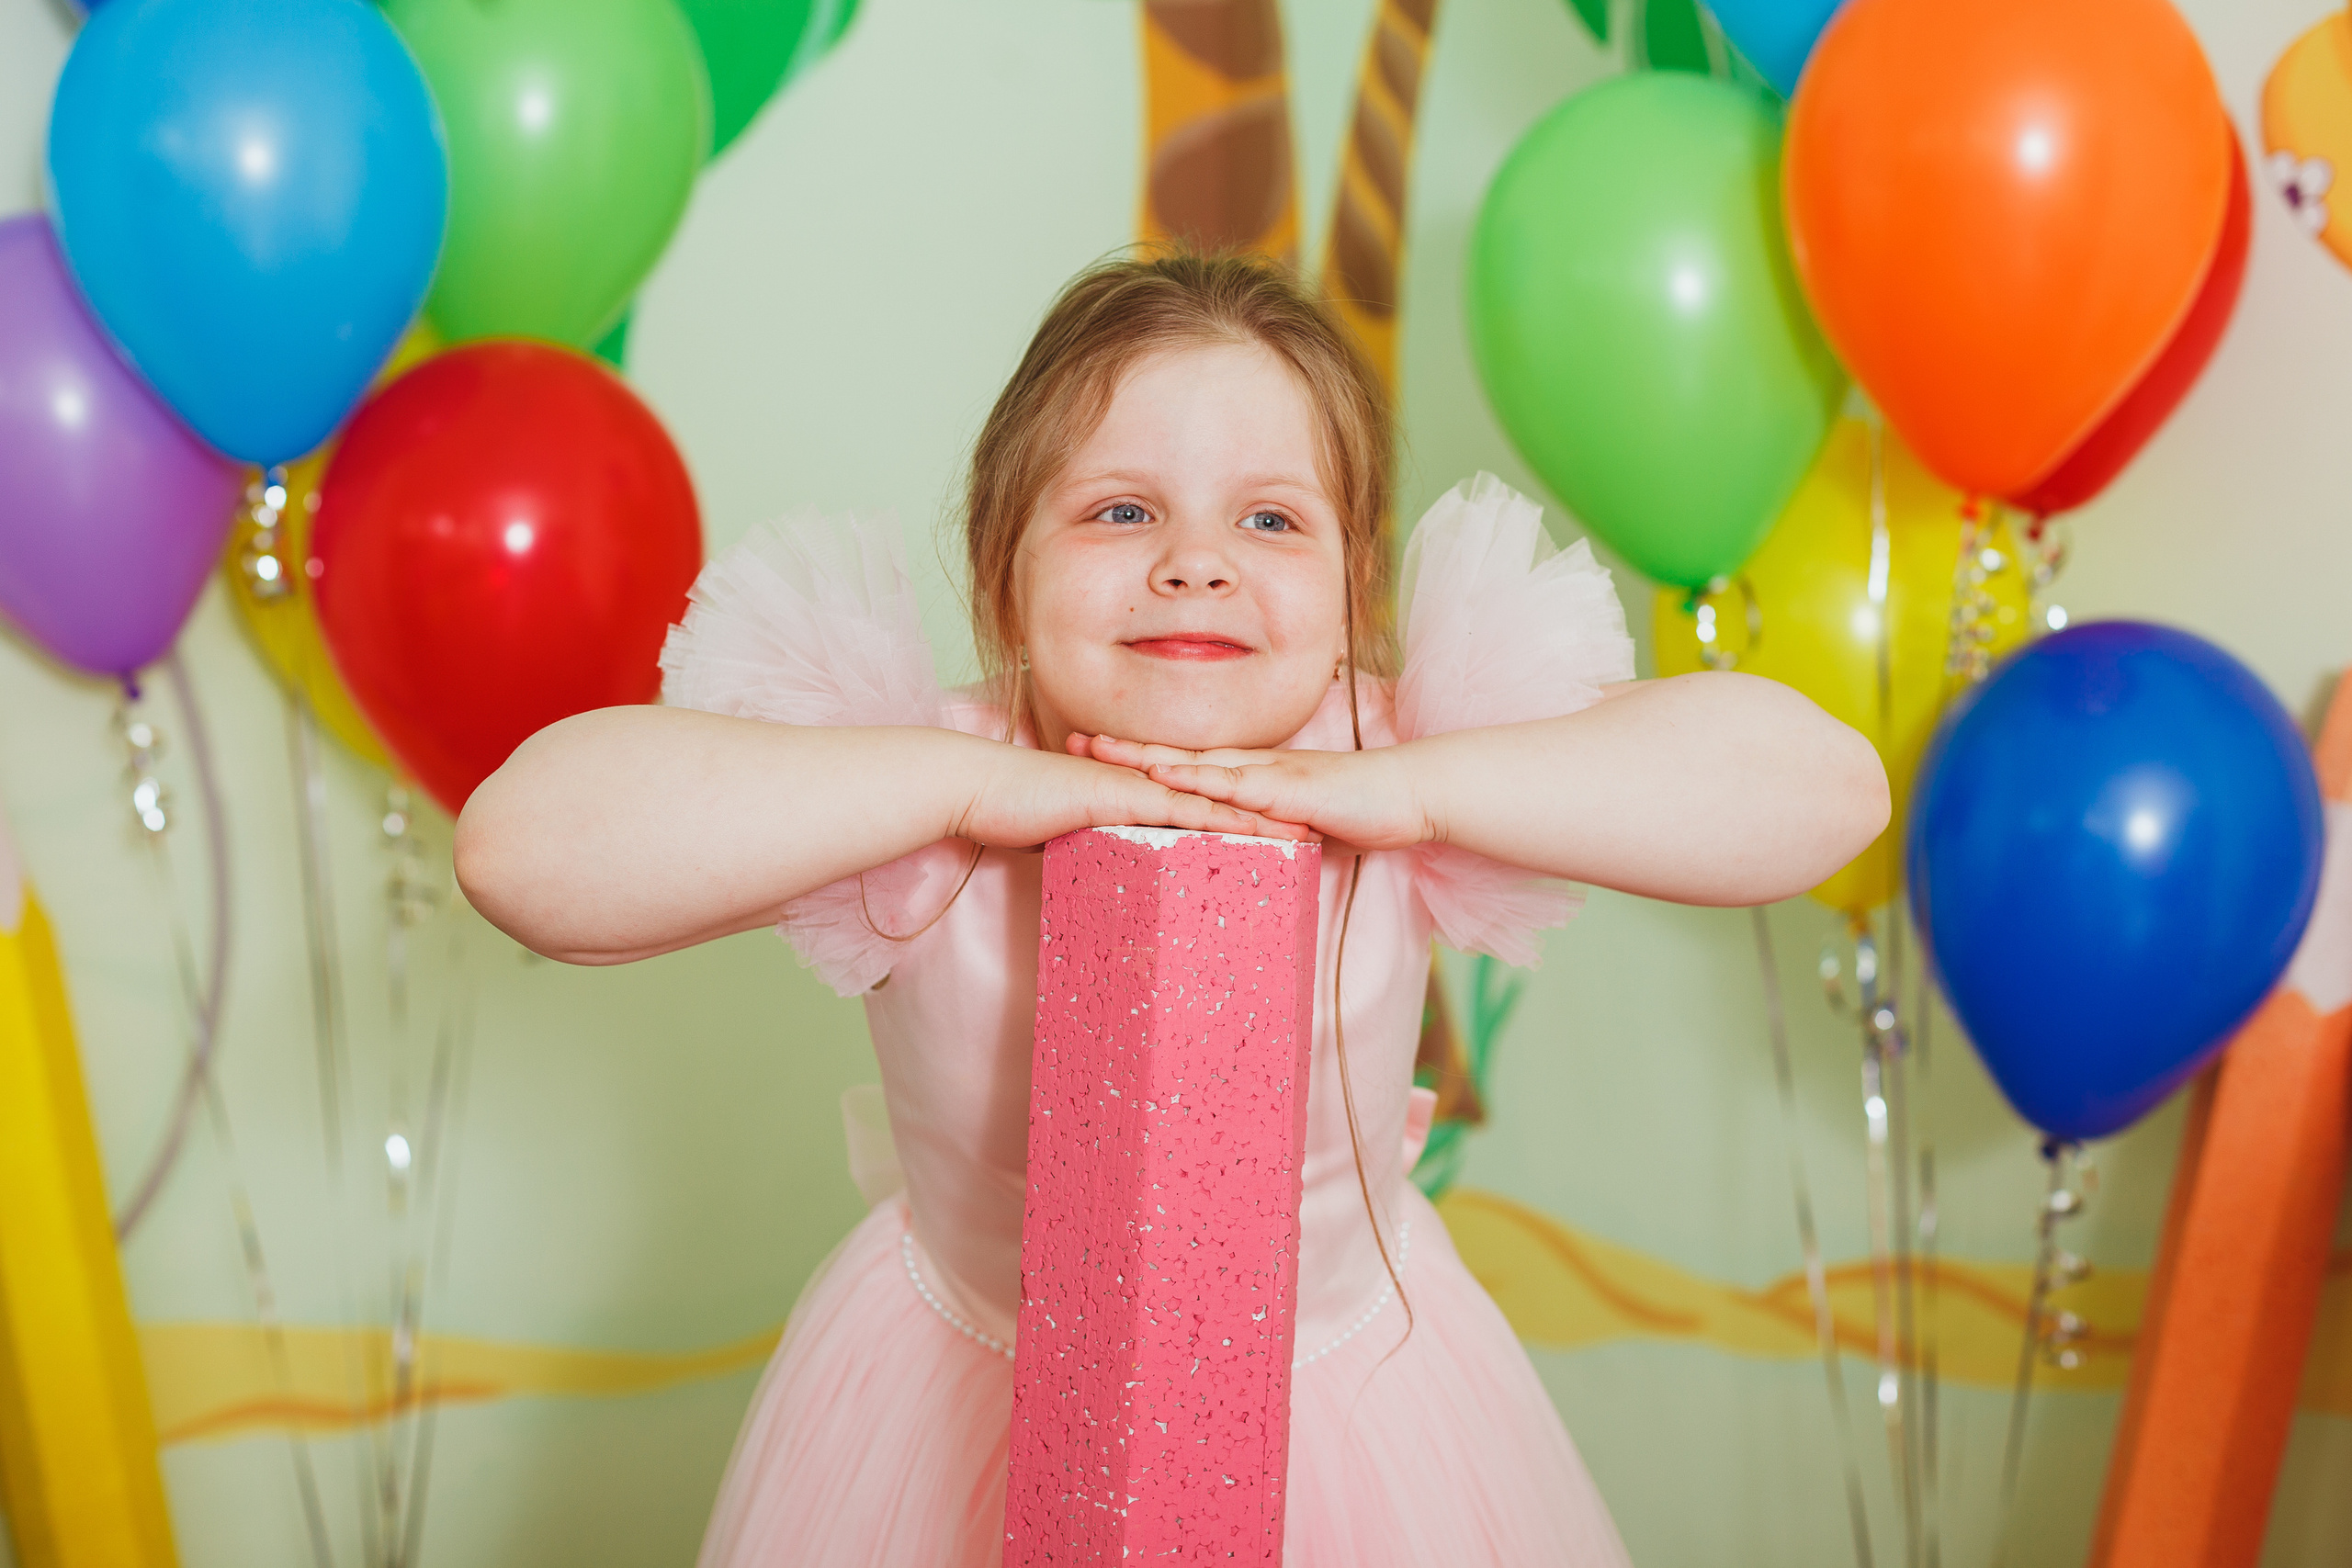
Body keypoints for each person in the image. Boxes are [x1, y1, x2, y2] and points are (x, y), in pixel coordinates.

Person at [455, 251, 1887, 1566]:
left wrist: (1430, 791)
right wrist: (953, 791)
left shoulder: (1414, 751)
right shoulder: (919, 769)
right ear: (1004, 573)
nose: (1194, 562)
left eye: (1270, 518)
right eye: (1120, 510)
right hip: (959, 1389)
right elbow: (523, 852)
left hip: (1348, 1401)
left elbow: (1827, 794)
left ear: (1351, 586)